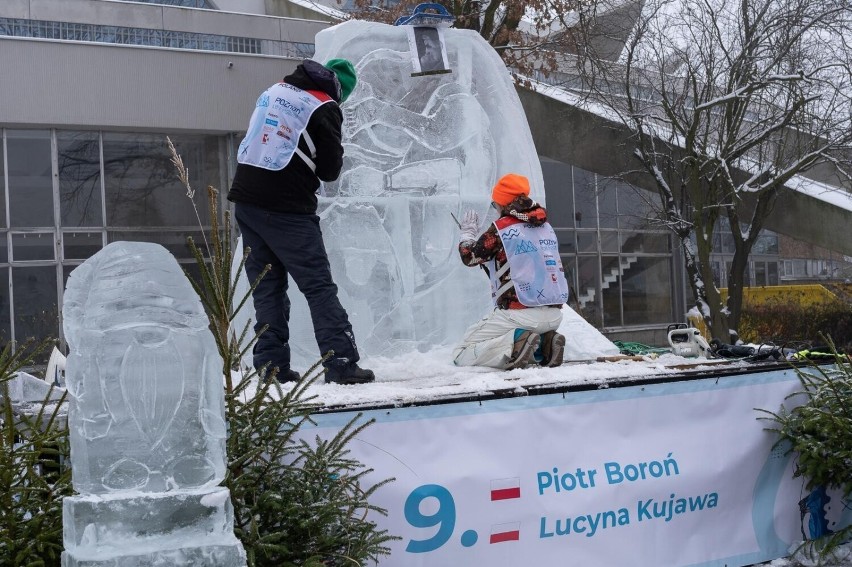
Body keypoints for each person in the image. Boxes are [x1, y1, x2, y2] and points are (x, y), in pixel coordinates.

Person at [228, 58, 375, 385]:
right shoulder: (324, 106)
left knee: (267, 288)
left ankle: (271, 367)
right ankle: (340, 362)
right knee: (318, 286)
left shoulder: (276, 90)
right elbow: (329, 171)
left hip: (246, 202)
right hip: (286, 208)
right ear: (339, 90)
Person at [453, 173, 569, 370]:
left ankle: (518, 342)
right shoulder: (545, 227)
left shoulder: (502, 229)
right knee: (527, 331)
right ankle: (544, 344)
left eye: (495, 204)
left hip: (520, 313)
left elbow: (470, 257)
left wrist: (467, 235)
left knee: (462, 352)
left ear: (502, 203)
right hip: (554, 315)